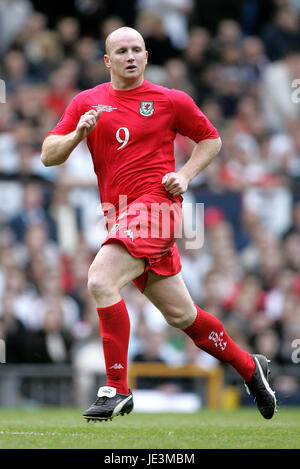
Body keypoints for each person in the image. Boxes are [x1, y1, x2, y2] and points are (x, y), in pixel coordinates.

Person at [41, 27, 277, 421]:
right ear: (107, 60)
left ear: (146, 57)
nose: (130, 56)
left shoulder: (170, 100)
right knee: (182, 316)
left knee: (100, 280)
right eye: (121, 51)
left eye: (137, 50)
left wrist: (184, 175)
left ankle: (116, 388)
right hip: (120, 216)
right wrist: (78, 133)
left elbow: (211, 139)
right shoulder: (88, 102)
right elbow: (49, 154)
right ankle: (250, 368)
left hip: (157, 210)